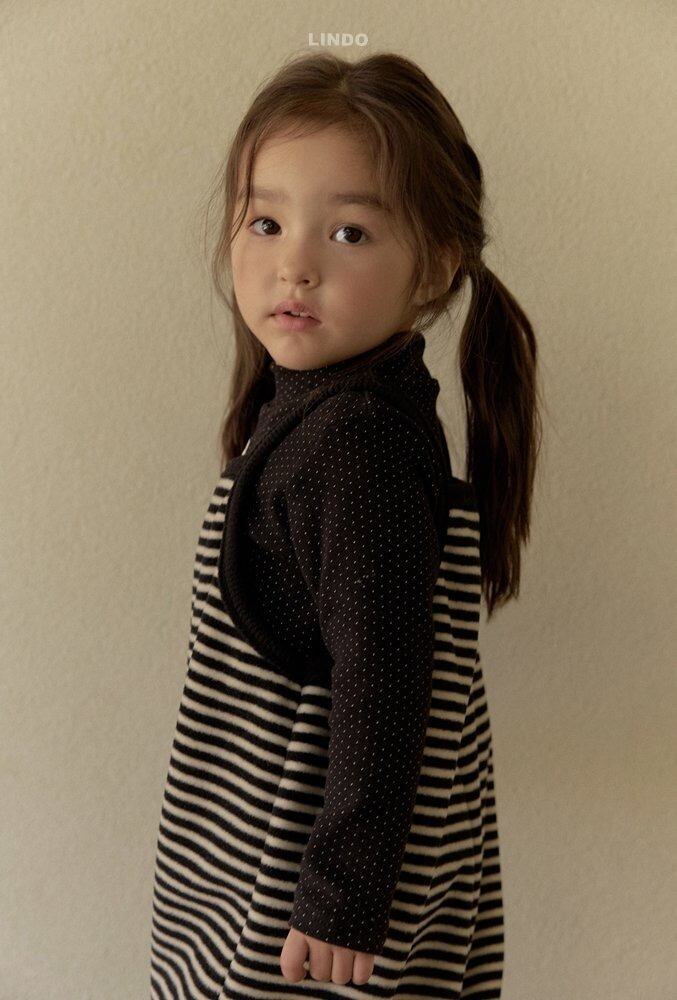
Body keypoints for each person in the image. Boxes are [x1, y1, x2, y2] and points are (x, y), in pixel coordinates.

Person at [149, 51, 540, 1000]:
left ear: (434, 264)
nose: (295, 264)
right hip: (299, 860)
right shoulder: (332, 411)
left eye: (349, 231)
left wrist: (344, 893)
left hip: (307, 895)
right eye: (266, 222)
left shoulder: (351, 441)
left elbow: (386, 676)